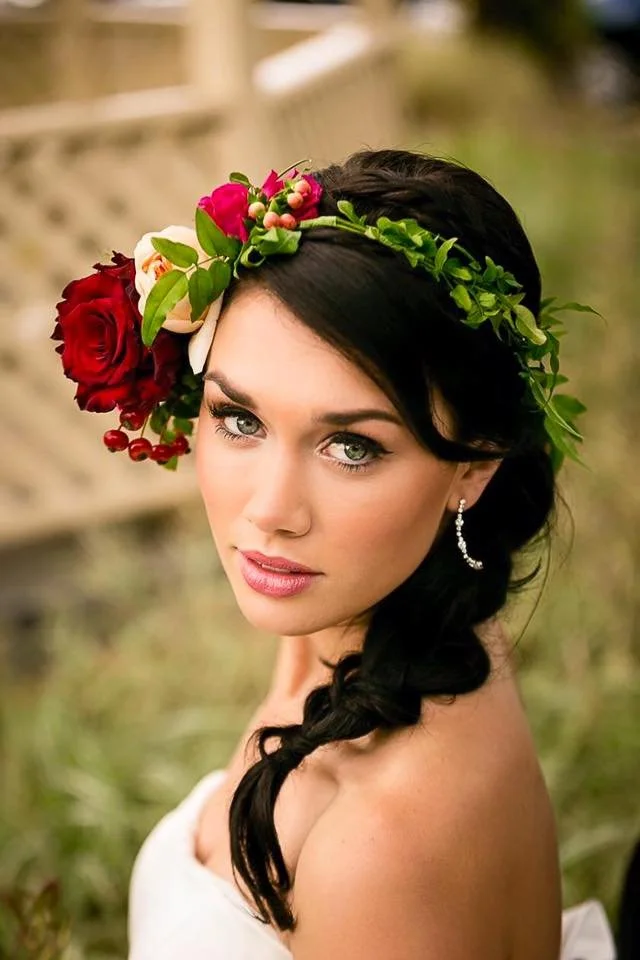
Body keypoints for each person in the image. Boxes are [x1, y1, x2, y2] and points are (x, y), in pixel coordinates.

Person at [52, 149, 616, 959]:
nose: (270, 512)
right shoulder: (378, 633)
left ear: (475, 465)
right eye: (240, 421)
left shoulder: (377, 854)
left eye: (350, 446)